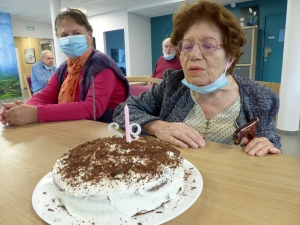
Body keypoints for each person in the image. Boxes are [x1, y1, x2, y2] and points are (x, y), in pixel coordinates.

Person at [113, 0, 281, 157]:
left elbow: (272, 144)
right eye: (187, 46)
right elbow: (124, 110)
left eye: (208, 45)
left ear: (230, 56)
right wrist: (158, 127)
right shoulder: (172, 85)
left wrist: (266, 146)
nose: (193, 55)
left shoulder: (260, 97)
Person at [0, 8, 129, 126]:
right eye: (64, 35)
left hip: (108, 130)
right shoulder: (65, 68)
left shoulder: (101, 64)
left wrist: (36, 113)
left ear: (89, 35)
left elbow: (92, 108)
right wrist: (21, 109)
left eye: (76, 32)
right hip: (76, 128)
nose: (70, 39)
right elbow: (45, 96)